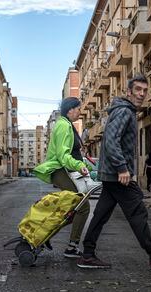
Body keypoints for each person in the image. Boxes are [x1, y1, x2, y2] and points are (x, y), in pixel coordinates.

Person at [77, 74, 151, 270]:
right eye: (137, 90)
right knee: (137, 211)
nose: (142, 94)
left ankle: (88, 254)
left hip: (111, 175)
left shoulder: (124, 111)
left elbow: (112, 140)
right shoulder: (124, 111)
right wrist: (122, 168)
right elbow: (110, 140)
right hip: (117, 175)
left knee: (100, 214)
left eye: (144, 90)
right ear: (128, 92)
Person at [34, 97, 90, 258]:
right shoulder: (64, 126)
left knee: (74, 209)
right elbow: (62, 155)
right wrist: (79, 165)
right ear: (70, 110)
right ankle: (71, 247)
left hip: (63, 170)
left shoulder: (66, 125)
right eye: (78, 108)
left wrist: (82, 161)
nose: (80, 112)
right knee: (82, 206)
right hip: (60, 170)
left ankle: (46, 235)